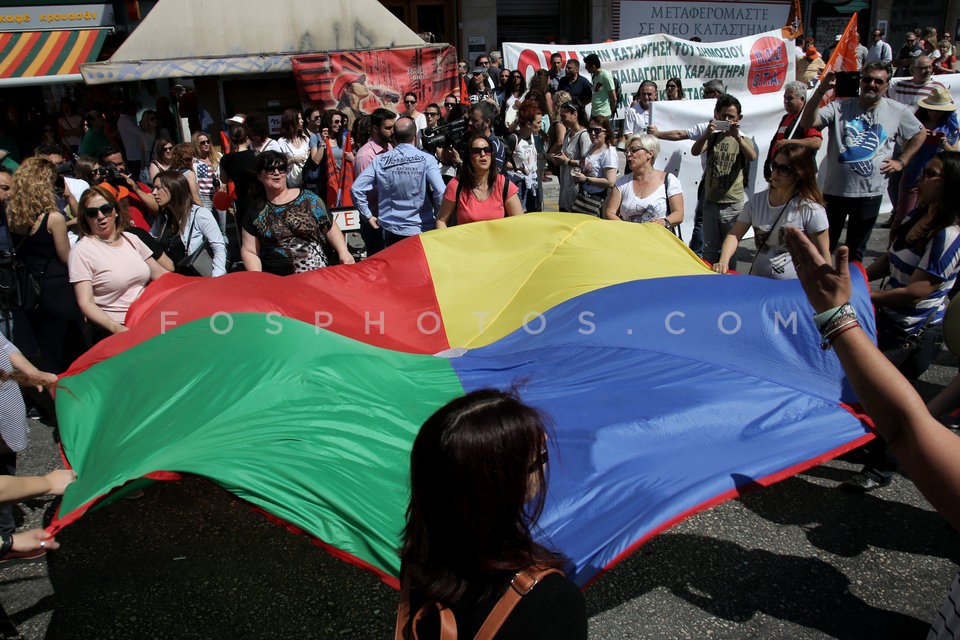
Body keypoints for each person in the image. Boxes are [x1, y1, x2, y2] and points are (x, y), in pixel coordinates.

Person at [783, 220, 960, 638]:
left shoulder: (948, 237)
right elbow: (908, 426)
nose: (921, 180)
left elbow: (905, 429)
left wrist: (837, 315)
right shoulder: (918, 225)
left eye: (933, 172)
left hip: (911, 331)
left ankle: (878, 469)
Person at [396, 388, 588, 640]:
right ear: (502, 487)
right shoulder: (550, 599)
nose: (543, 445)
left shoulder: (417, 560)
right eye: (539, 457)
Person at [798, 63, 925, 262]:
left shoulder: (897, 110)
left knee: (856, 251)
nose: (871, 84)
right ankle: (818, 289)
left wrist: (902, 161)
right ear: (860, 81)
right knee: (823, 248)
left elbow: (920, 133)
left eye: (878, 81)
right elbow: (808, 123)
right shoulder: (839, 106)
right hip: (835, 192)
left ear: (886, 85)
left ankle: (852, 290)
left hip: (870, 194)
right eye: (867, 79)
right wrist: (821, 90)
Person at [6, 158, 87, 372]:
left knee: (49, 351)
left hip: (31, 292)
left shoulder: (11, 215)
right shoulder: (53, 218)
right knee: (74, 350)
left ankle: (54, 395)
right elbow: (65, 258)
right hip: (58, 289)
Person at [68, 185, 168, 340]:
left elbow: (161, 275)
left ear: (115, 211)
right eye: (92, 213)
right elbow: (85, 303)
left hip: (149, 319)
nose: (101, 216)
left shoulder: (131, 239)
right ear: (85, 218)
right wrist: (117, 329)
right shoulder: (81, 251)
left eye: (106, 209)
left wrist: (193, 288)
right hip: (116, 330)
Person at [717, 145, 829, 277]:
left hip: (794, 289)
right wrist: (724, 260)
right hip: (758, 284)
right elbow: (735, 234)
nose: (774, 173)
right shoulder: (757, 201)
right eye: (774, 166)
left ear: (799, 173)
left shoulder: (811, 209)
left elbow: (823, 254)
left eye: (783, 169)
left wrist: (828, 286)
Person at [241, 151, 354, 274]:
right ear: (259, 175)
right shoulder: (255, 211)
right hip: (281, 281)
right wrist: (258, 278)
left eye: (281, 168)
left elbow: (329, 227)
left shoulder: (309, 198)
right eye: (270, 169)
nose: (277, 173)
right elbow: (250, 251)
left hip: (319, 273)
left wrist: (343, 251)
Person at [351, 117, 444, 246]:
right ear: (415, 135)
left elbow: (356, 189)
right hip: (421, 227)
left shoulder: (381, 160)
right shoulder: (427, 159)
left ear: (394, 136)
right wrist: (440, 217)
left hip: (390, 227)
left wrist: (368, 216)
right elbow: (440, 191)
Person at [692, 93, 758, 263]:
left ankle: (730, 283)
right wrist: (707, 133)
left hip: (732, 204)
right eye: (724, 116)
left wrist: (737, 136)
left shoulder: (743, 138)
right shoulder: (713, 137)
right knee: (710, 251)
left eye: (731, 117)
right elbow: (695, 151)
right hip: (711, 202)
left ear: (739, 118)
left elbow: (752, 156)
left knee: (728, 253)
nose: (727, 120)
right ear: (717, 115)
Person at [890, 86, 959, 232]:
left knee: (931, 216)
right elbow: (903, 147)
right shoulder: (916, 122)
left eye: (938, 110)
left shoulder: (951, 127)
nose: (933, 113)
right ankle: (893, 248)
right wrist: (919, 138)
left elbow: (954, 153)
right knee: (903, 214)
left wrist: (944, 142)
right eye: (931, 109)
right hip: (913, 173)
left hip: (936, 179)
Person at [150, 171, 227, 277]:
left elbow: (218, 246)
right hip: (172, 281)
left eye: (158, 188)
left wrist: (216, 277)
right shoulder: (162, 218)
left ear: (173, 188)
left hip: (197, 281)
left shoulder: (200, 214)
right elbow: (150, 242)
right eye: (153, 188)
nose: (153, 192)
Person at [436, 134, 522, 227]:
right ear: (469, 156)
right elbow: (441, 220)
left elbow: (519, 222)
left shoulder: (503, 184)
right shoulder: (456, 185)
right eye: (476, 151)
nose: (483, 154)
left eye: (487, 150)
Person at [604, 133, 683, 229]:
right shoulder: (621, 183)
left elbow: (679, 213)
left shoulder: (669, 180)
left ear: (650, 154)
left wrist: (664, 221)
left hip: (657, 240)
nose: (628, 154)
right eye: (627, 151)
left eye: (634, 150)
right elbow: (610, 212)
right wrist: (627, 229)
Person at [764, 80, 823, 180]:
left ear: (802, 99)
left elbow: (816, 143)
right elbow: (775, 142)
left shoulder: (807, 119)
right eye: (785, 98)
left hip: (800, 172)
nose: (786, 101)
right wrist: (768, 165)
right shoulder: (786, 118)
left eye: (790, 98)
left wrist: (790, 142)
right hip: (782, 171)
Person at [100, 146, 160, 231]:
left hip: (144, 238)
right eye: (112, 166)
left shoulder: (137, 186)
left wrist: (135, 190)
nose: (117, 169)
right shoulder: (100, 191)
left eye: (120, 164)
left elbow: (157, 208)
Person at [570, 114, 618, 216]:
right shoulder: (592, 147)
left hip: (598, 200)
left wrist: (586, 179)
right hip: (584, 197)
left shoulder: (609, 153)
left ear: (606, 132)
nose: (592, 133)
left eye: (597, 131)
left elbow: (610, 182)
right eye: (589, 130)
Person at [505, 101, 545, 213]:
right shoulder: (514, 139)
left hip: (533, 181)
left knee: (534, 213)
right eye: (538, 122)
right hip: (518, 183)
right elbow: (503, 162)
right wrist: (518, 167)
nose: (541, 125)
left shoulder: (533, 136)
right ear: (528, 124)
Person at [550, 101, 590, 212]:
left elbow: (587, 164)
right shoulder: (568, 134)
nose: (562, 120)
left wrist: (567, 161)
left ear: (575, 114)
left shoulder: (584, 136)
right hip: (565, 190)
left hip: (576, 192)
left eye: (564, 116)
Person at [191, 131, 224, 229]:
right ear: (196, 145)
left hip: (218, 194)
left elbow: (223, 175)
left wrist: (222, 186)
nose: (206, 144)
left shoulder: (218, 157)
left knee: (222, 228)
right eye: (202, 142)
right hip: (204, 197)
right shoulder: (194, 161)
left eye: (207, 141)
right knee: (210, 227)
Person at [275, 108, 310, 190]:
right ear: (291, 121)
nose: (302, 121)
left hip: (308, 180)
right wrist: (293, 160)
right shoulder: (282, 142)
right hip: (292, 184)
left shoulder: (305, 139)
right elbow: (279, 165)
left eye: (301, 118)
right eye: (299, 119)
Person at [583, 53, 616, 119]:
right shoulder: (594, 76)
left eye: (587, 66)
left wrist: (610, 112)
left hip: (604, 115)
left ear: (593, 67)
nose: (585, 68)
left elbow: (613, 98)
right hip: (594, 113)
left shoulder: (606, 76)